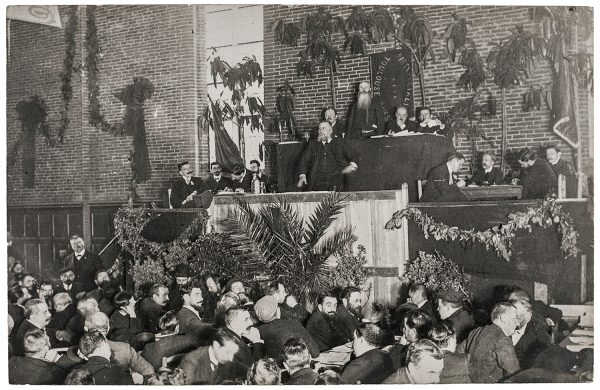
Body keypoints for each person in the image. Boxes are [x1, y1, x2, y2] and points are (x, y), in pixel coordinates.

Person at [457, 302, 521, 383]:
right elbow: (515, 374)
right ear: (503, 318)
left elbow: (458, 353)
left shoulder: (475, 332)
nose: (518, 323)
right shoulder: (503, 339)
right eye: (515, 318)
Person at [297, 121, 359, 191]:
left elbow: (354, 154)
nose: (321, 131)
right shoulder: (312, 144)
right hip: (317, 182)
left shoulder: (339, 142)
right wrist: (302, 175)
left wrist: (352, 165)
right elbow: (303, 161)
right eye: (319, 129)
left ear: (330, 130)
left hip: (336, 181)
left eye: (324, 128)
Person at [254, 295, 319, 360]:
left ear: (259, 318)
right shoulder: (293, 324)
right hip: (295, 366)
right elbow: (315, 352)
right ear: (278, 311)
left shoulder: (257, 332)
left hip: (273, 369)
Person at [222, 306, 265, 373]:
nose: (251, 323)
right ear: (233, 324)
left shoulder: (227, 335)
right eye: (246, 319)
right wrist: (257, 341)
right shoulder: (235, 346)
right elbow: (255, 371)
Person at [510, 299, 551, 369]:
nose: (514, 320)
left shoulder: (538, 328)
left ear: (529, 315)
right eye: (512, 315)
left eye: (519, 317)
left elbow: (541, 355)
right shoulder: (505, 323)